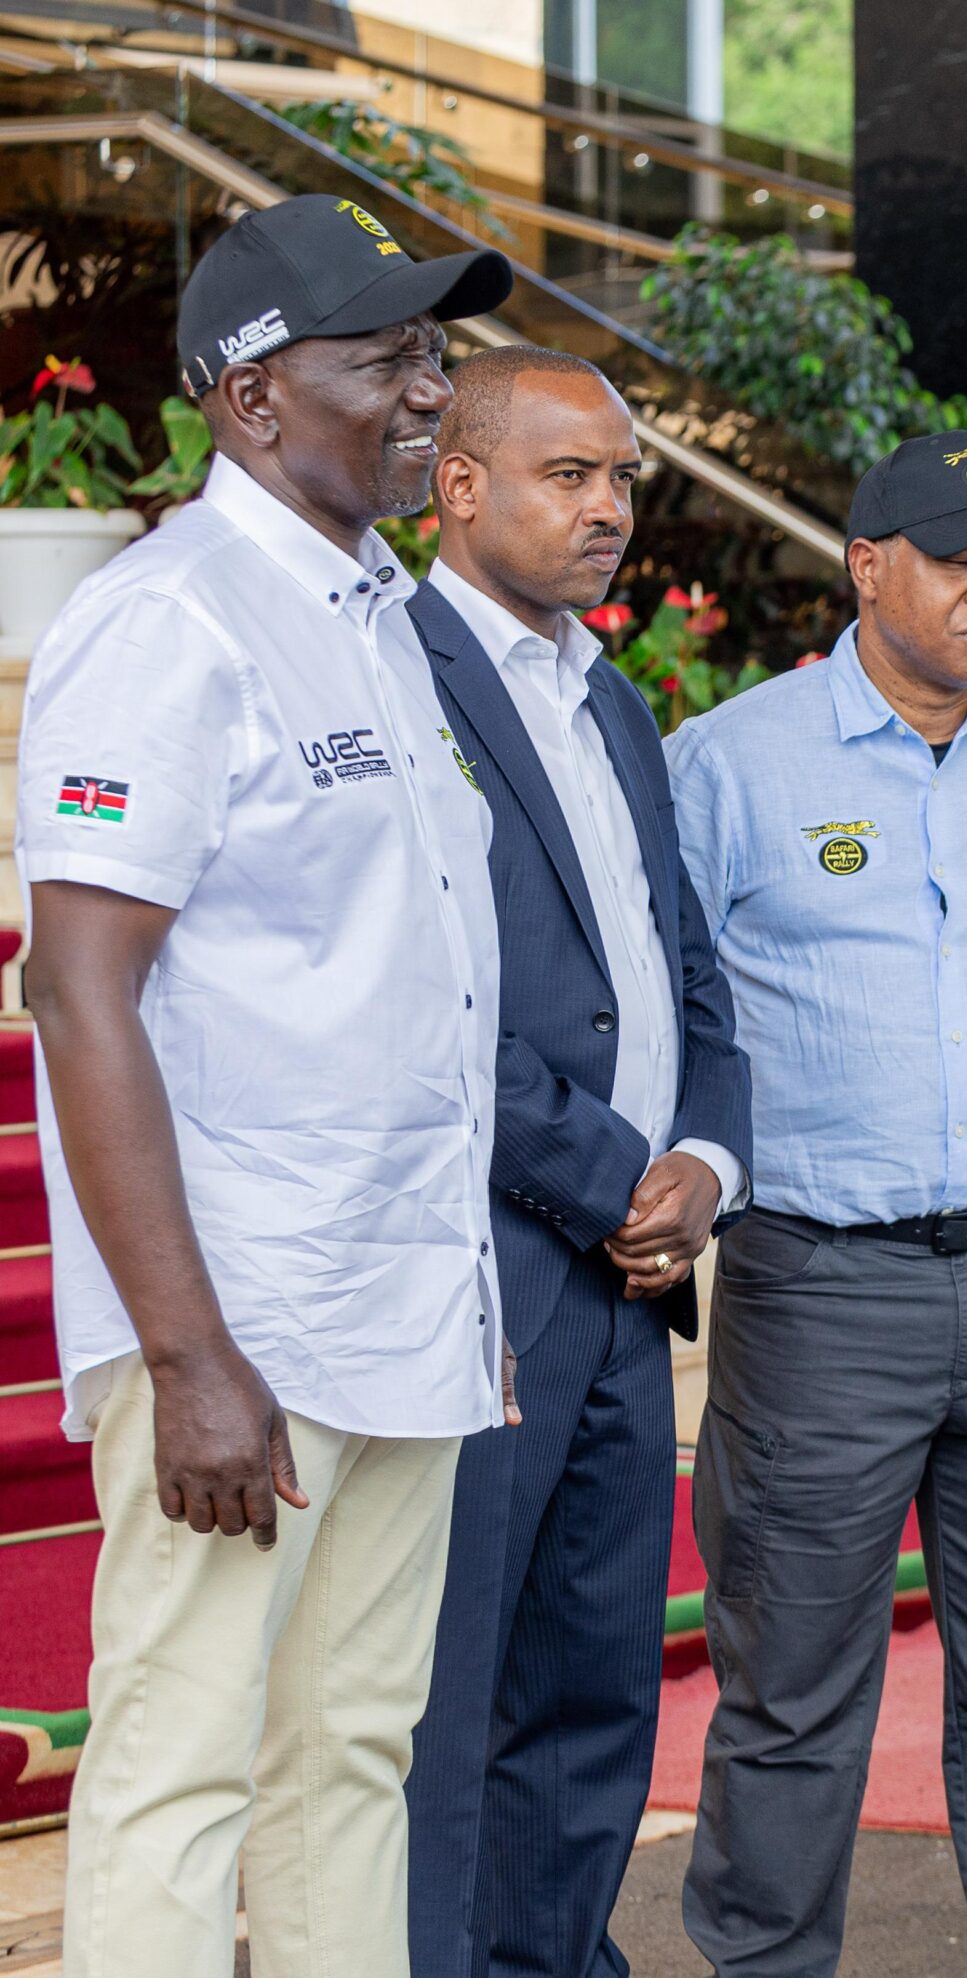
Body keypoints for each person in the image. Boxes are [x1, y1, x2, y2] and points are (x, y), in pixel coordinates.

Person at [14, 194, 514, 1977]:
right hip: (243, 1319)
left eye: (433, 354)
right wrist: (186, 1352)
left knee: (352, 1756)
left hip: (396, 1302)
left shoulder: (379, 612)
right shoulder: (166, 622)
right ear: (247, 396)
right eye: (382, 357)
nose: (426, 393)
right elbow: (77, 992)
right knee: (182, 1765)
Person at [666, 431, 967, 1977]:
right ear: (868, 567)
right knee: (794, 1682)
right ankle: (764, 1961)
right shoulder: (734, 762)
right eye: (961, 560)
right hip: (821, 1287)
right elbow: (676, 1001)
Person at [403, 346, 753, 1978]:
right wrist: (612, 1178)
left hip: (630, 1291)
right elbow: (420, 1000)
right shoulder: (394, 677)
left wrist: (701, 1161)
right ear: (459, 484)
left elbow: (687, 972)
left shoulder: (607, 692)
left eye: (623, 477)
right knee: (443, 1699)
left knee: (599, 1691)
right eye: (571, 475)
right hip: (484, 1280)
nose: (611, 506)